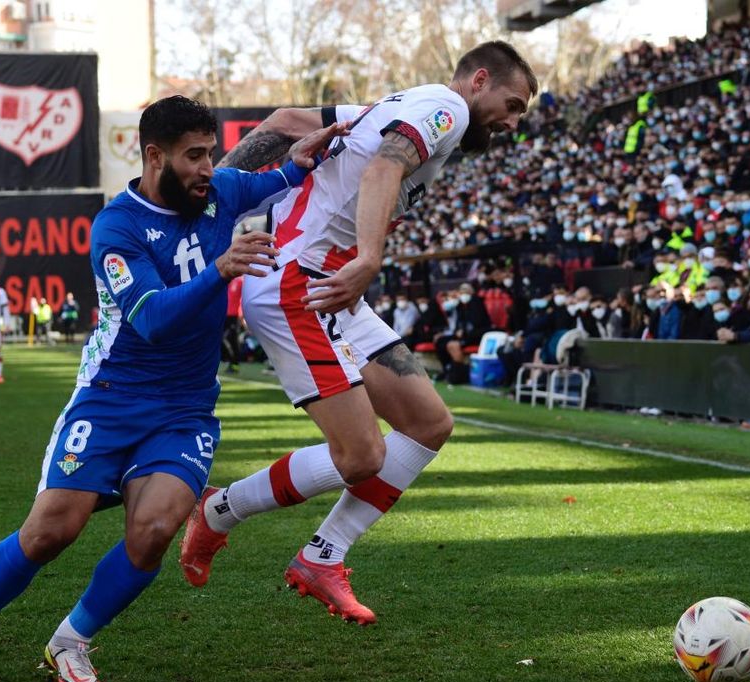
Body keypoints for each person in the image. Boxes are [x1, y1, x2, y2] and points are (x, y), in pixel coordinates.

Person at [0, 95, 346, 682]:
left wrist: (301, 160)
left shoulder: (220, 192)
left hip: (184, 408)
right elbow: (152, 318)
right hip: (109, 396)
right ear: (154, 156)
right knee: (50, 531)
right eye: (194, 155)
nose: (208, 167)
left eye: (210, 153)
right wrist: (220, 271)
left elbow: (276, 179)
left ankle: (71, 640)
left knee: (155, 529)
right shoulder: (117, 225)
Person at [179, 40, 536, 624]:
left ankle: (323, 556)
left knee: (427, 424)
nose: (513, 121)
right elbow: (383, 164)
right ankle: (220, 510)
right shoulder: (447, 111)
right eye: (512, 104)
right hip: (300, 282)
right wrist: (370, 255)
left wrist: (216, 191)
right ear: (478, 80)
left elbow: (285, 122)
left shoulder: (401, 104)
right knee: (362, 454)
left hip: (329, 286)